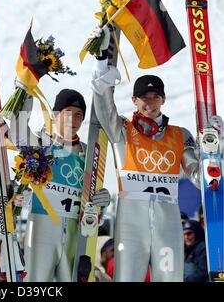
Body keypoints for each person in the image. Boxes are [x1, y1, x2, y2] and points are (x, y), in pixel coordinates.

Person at [88, 26, 223, 282]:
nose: (149, 103)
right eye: (144, 98)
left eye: (155, 97)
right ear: (134, 101)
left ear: (163, 100)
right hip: (130, 223)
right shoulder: (122, 130)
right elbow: (103, 106)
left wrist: (213, 149)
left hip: (167, 221)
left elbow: (198, 176)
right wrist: (101, 61)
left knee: (170, 279)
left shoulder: (180, 134)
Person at [9, 84, 111, 282]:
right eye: (67, 113)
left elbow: (93, 200)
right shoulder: (41, 145)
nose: (73, 120)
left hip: (75, 231)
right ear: (55, 115)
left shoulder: (90, 153)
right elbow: (17, 130)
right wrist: (26, 87)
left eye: (79, 115)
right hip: (41, 227)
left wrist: (102, 202)